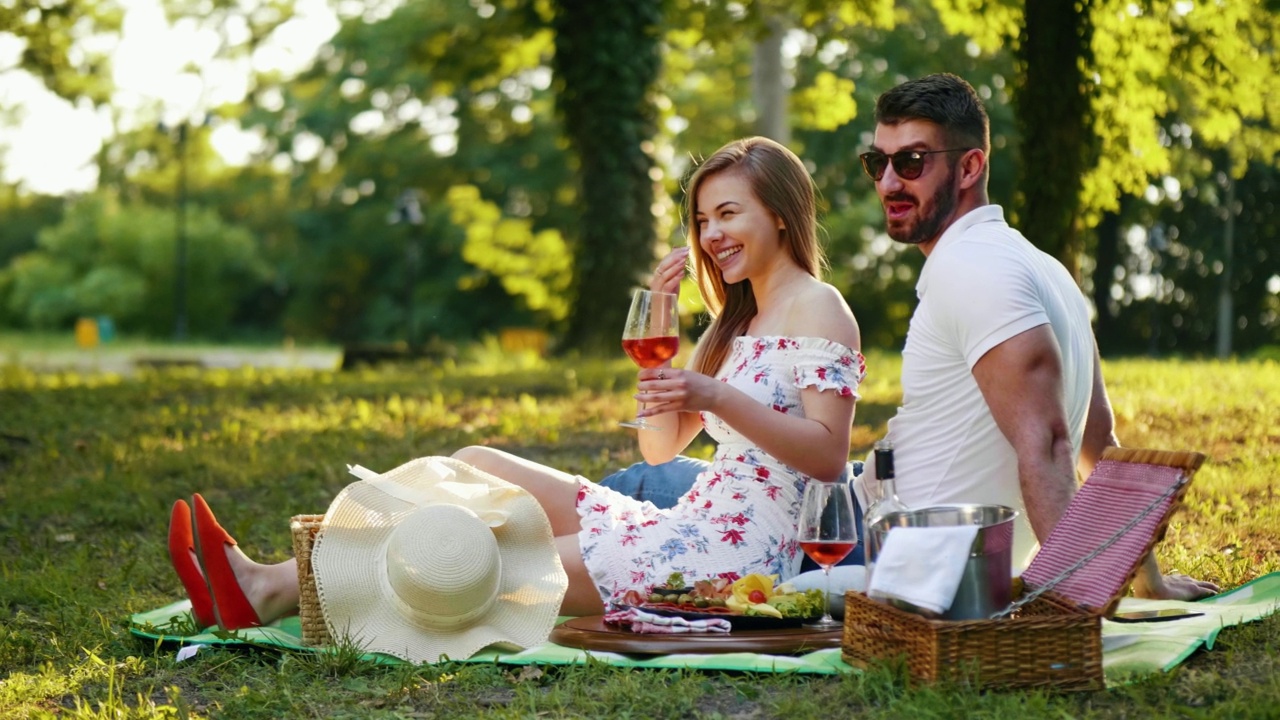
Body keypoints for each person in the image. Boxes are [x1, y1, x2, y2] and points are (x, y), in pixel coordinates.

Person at [168, 136, 867, 636]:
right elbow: (660, 451)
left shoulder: (820, 308)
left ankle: (270, 589)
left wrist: (714, 396)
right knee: (473, 465)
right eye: (704, 219)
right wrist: (662, 330)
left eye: (729, 213)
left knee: (482, 558)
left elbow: (829, 457)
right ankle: (281, 577)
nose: (712, 235)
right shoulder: (733, 324)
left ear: (779, 211)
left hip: (730, 563)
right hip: (681, 527)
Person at [601, 74, 1217, 602]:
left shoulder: (971, 270)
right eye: (880, 163)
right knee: (656, 481)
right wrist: (1146, 580)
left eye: (913, 162)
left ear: (971, 166)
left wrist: (1075, 601)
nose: (890, 183)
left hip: (868, 543)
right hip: (861, 497)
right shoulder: (1043, 267)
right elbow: (1099, 441)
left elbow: (1054, 442)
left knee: (640, 489)